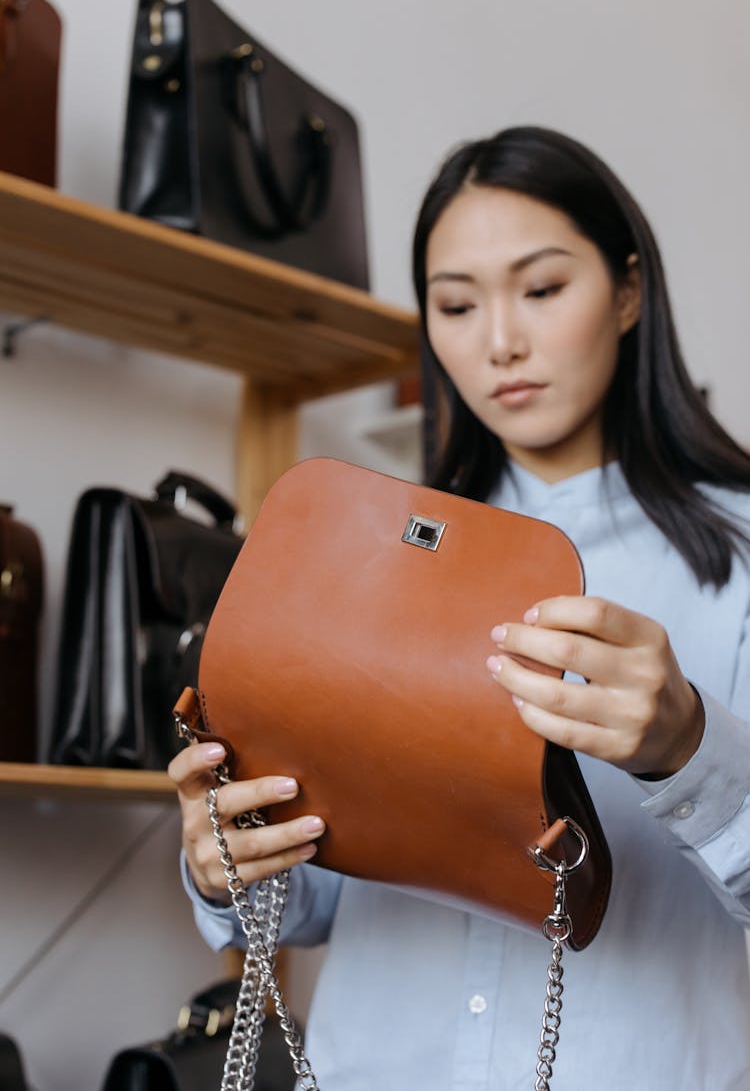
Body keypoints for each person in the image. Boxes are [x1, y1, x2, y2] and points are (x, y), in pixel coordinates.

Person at [169, 126, 750, 1089]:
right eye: (455, 304)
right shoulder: (355, 549)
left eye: (543, 288)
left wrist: (691, 746)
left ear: (630, 291)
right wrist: (223, 859)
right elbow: (305, 902)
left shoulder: (736, 554)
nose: (500, 342)